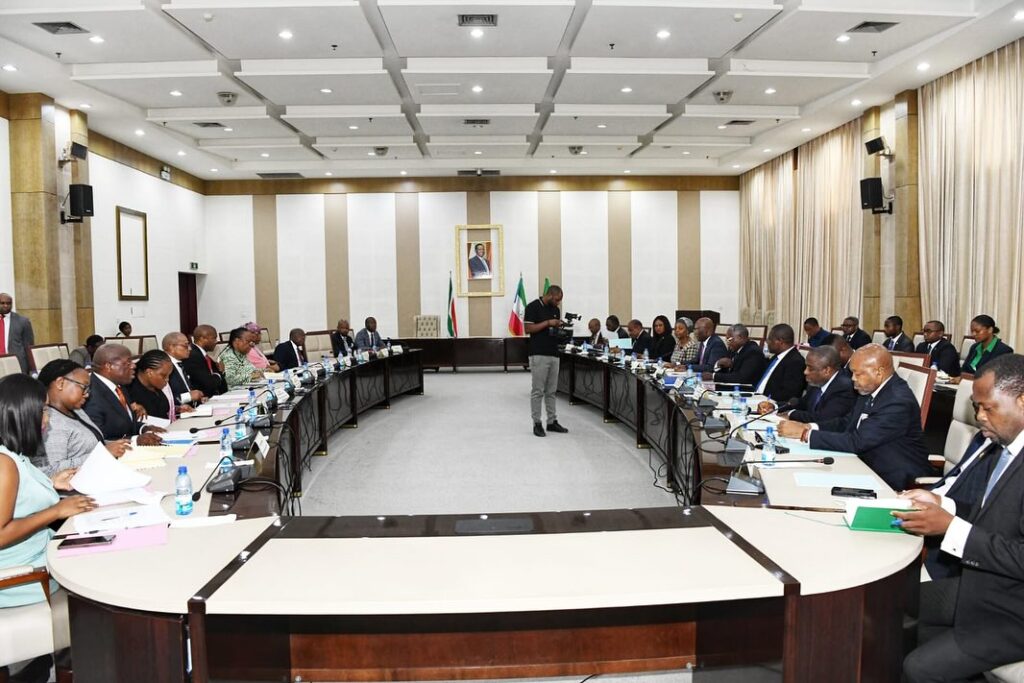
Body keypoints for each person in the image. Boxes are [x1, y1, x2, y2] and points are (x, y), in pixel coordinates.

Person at [897, 354, 1024, 682]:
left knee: (918, 668)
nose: (980, 417)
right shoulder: (1005, 449)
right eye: (976, 407)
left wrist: (950, 528)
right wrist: (943, 505)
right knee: (899, 606)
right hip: (986, 585)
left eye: (988, 408)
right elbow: (994, 519)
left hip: (1013, 611)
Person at [778, 345, 930, 490]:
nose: (852, 379)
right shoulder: (869, 388)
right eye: (852, 373)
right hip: (864, 464)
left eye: (858, 374)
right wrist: (810, 427)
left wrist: (805, 434)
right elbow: (846, 422)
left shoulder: (898, 401)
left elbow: (857, 442)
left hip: (894, 478)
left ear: (879, 371)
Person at [0, 375, 95, 605]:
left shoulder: (13, 455)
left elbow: (16, 495)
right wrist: (56, 511)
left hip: (41, 554)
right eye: (43, 410)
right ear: (23, 414)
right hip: (24, 575)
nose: (48, 419)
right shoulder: (4, 463)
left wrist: (51, 482)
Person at [36, 359, 132, 476]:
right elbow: (51, 470)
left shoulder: (76, 410)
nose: (87, 394)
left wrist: (117, 445)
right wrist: (103, 453)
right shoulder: (50, 422)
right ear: (60, 383)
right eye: (83, 387)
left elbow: (90, 444)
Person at [83, 345, 162, 444]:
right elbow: (96, 439)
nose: (133, 366)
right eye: (128, 362)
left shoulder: (119, 386)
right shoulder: (90, 394)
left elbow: (124, 425)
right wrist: (135, 440)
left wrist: (143, 428)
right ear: (109, 366)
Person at [770, 346, 856, 424]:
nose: (805, 372)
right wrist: (775, 406)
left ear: (827, 370)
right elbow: (802, 403)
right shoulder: (817, 382)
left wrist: (791, 414)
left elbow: (822, 418)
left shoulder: (844, 388)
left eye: (810, 368)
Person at [524, 285, 568, 437]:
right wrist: (548, 323)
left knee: (551, 391)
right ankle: (537, 423)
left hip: (554, 353)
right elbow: (528, 329)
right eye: (556, 300)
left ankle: (551, 422)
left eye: (559, 301)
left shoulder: (555, 310)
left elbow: (553, 331)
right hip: (538, 354)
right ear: (549, 295)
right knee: (538, 391)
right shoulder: (532, 307)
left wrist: (560, 328)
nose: (558, 304)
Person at [752, 323, 806, 403]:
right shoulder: (776, 357)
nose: (767, 342)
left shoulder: (795, 362)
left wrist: (763, 401)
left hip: (770, 405)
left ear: (780, 341)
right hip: (756, 398)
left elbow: (788, 394)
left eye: (770, 339)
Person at [706, 324, 767, 390]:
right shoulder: (733, 349)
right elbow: (725, 372)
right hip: (729, 388)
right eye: (726, 340)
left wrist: (713, 376)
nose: (728, 343)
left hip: (745, 392)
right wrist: (718, 364)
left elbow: (740, 378)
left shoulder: (753, 352)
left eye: (729, 339)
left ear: (740, 337)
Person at [126, 351, 181, 423]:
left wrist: (175, 409)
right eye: (164, 376)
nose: (167, 380)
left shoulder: (155, 385)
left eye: (168, 376)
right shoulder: (129, 390)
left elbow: (159, 409)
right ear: (149, 373)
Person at [162, 332, 204, 408]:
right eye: (186, 345)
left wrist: (197, 399)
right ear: (171, 347)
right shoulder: (162, 367)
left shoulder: (183, 363)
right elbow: (163, 400)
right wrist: (188, 397)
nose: (190, 348)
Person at [183, 325, 226, 397]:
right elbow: (209, 383)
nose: (216, 341)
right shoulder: (193, 356)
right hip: (204, 399)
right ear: (202, 339)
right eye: (214, 338)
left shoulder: (203, 354)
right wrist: (219, 373)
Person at [0, 292, 35, 373]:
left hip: (16, 364)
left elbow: (28, 347)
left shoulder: (23, 321)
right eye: (2, 303)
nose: (5, 305)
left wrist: (32, 369)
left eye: (8, 303)